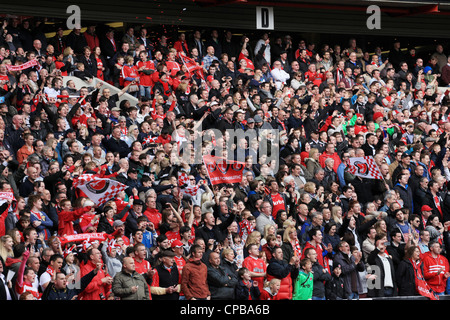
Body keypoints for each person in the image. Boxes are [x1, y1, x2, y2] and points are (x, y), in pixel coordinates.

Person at [367, 233, 397, 298]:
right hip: (379, 290)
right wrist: (378, 248)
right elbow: (370, 260)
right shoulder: (374, 256)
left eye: (384, 243)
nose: (382, 246)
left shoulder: (388, 258)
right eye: (381, 243)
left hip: (391, 289)